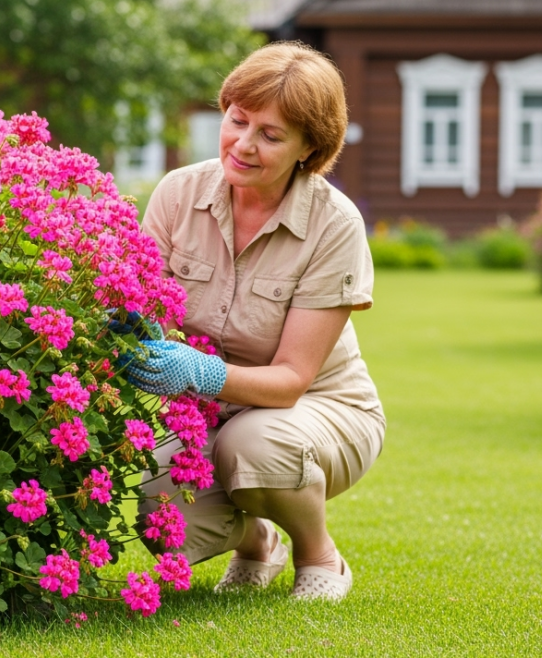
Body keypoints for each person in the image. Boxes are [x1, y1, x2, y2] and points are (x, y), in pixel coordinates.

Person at [126, 41, 384, 600]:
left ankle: (320, 557)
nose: (242, 144)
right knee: (161, 511)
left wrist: (203, 372)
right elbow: (137, 301)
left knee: (255, 445)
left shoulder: (333, 224)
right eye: (237, 120)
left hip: (318, 410)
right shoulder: (178, 194)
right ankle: (257, 542)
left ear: (309, 148)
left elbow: (292, 378)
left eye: (270, 135)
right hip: (213, 417)